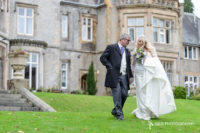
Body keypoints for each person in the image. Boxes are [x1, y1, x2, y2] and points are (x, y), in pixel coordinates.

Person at [132, 36, 176, 120]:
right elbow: (133, 64)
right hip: (138, 73)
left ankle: (148, 110)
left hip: (146, 73)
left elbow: (154, 62)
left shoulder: (149, 51)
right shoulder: (135, 51)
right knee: (140, 93)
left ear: (144, 42)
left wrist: (143, 58)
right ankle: (142, 110)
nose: (140, 43)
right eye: (139, 41)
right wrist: (132, 72)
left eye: (141, 41)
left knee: (146, 92)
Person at [100, 33, 133, 121]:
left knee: (125, 94)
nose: (129, 42)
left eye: (129, 40)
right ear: (122, 39)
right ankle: (119, 114)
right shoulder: (111, 47)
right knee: (117, 94)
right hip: (114, 75)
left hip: (124, 75)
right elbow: (103, 58)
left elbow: (128, 65)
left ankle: (115, 110)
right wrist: (109, 66)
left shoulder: (127, 51)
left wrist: (131, 76)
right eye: (128, 40)